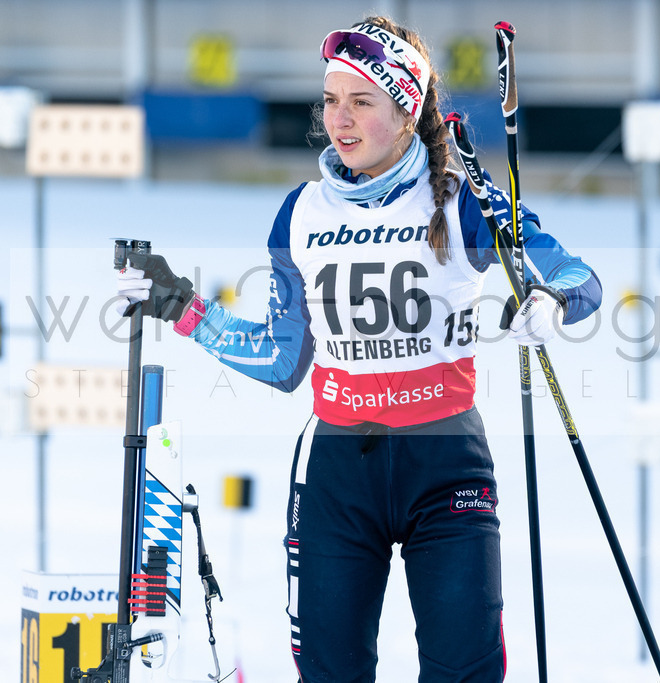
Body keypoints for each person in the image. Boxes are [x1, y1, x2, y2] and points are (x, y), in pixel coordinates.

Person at [114, 15, 601, 683]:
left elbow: (578, 274)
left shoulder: (462, 203)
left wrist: (551, 300)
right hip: (338, 473)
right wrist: (180, 305)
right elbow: (284, 361)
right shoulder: (300, 215)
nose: (338, 119)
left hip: (445, 467)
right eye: (330, 100)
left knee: (467, 672)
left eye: (361, 101)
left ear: (406, 111)